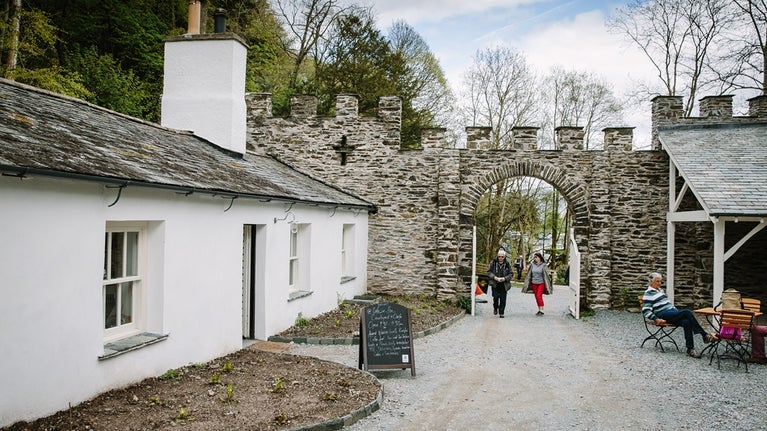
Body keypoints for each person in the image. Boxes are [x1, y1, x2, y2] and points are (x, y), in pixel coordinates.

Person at [641, 272, 717, 358]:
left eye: (661, 282)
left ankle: (690, 349)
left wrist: (676, 312)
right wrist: (656, 319)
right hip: (662, 314)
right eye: (657, 281)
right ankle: (704, 335)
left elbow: (668, 304)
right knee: (687, 312)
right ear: (651, 282)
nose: (660, 283)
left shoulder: (660, 291)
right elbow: (646, 310)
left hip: (671, 312)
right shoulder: (648, 293)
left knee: (686, 321)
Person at [488, 249, 513, 318]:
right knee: (495, 297)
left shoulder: (507, 264)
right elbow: (489, 272)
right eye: (499, 256)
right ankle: (495, 308)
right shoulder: (493, 262)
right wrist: (494, 277)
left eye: (502, 256)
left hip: (504, 284)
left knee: (503, 299)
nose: (500, 258)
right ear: (497, 256)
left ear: (504, 257)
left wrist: (505, 278)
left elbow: (511, 273)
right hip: (495, 283)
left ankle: (501, 312)